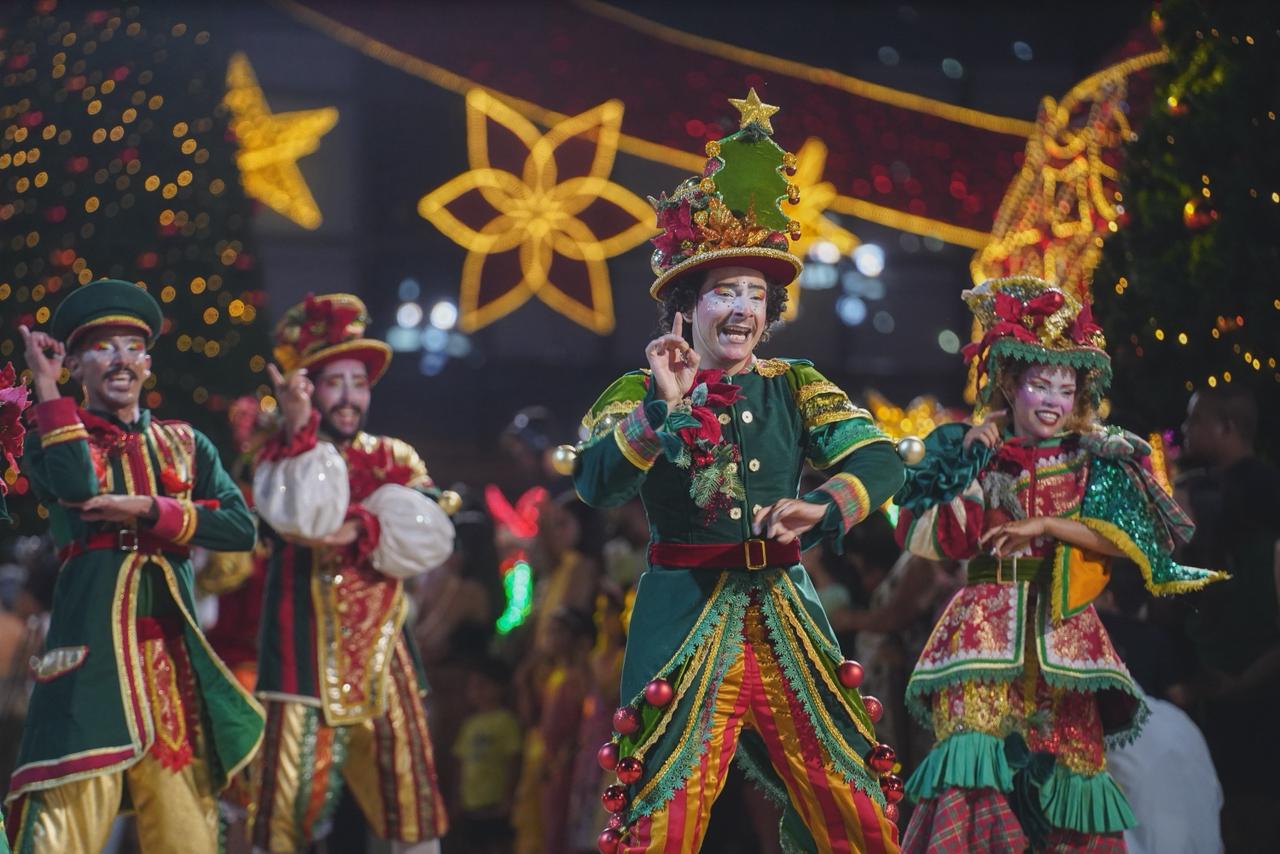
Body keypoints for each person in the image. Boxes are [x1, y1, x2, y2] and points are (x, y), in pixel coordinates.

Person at [572, 92, 904, 853]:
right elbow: (595, 485)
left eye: (757, 294)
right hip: (684, 623)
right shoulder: (636, 394)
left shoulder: (795, 384)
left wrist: (821, 508)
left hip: (785, 616)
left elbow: (881, 461)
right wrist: (662, 412)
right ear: (687, 306)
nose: (744, 309)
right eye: (726, 290)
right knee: (659, 819)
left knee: (855, 808)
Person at [894, 275, 1225, 852]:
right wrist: (970, 456)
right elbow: (936, 536)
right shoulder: (974, 450)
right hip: (982, 631)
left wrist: (1046, 525)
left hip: (1065, 633)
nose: (1052, 401)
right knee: (973, 770)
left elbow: (1130, 539)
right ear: (1009, 385)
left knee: (1071, 770)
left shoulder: (1095, 457)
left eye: (1065, 389)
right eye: (1039, 385)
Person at [3, 279, 264, 853]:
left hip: (168, 673)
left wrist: (150, 510)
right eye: (102, 348)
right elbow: (75, 484)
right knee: (61, 835)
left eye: (132, 347)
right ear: (74, 362)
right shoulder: (52, 435)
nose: (121, 360)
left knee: (189, 837)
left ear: (148, 362)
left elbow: (243, 527)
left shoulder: (186, 445)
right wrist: (45, 385)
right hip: (89, 665)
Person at [249, 293, 455, 852]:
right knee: (283, 807)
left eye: (358, 383)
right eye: (334, 382)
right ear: (307, 388)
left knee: (408, 802)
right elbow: (294, 518)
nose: (348, 397)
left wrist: (357, 525)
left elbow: (428, 534)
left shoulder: (394, 457)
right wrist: (298, 437)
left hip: (387, 656)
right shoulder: (276, 455)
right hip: (299, 653)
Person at [451, 657, 523, 854]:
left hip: (495, 800)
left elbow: (512, 760)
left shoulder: (505, 721)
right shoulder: (469, 724)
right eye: (473, 686)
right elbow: (460, 761)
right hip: (471, 801)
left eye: (483, 685)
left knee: (497, 846)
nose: (477, 691)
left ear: (499, 688)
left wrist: (508, 797)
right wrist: (457, 796)